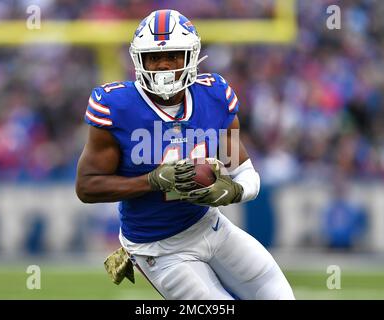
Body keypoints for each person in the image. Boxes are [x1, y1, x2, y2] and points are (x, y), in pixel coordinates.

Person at [75, 9, 294, 300]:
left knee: (278, 295)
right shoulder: (117, 106)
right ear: (139, 61)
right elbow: (87, 186)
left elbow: (244, 171)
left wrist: (234, 191)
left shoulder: (213, 96)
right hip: (157, 248)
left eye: (174, 55)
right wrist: (152, 181)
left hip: (210, 226)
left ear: (191, 56)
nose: (164, 65)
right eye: (154, 57)